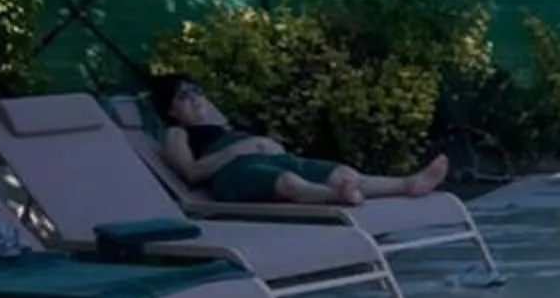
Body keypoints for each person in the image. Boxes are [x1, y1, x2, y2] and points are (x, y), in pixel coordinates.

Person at [149, 75, 449, 207]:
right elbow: (192, 172)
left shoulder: (222, 126)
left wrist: (264, 145)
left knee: (343, 172)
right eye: (184, 96)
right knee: (288, 181)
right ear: (171, 111)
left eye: (197, 92)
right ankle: (336, 196)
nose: (195, 99)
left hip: (267, 160)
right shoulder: (176, 133)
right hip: (232, 176)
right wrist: (242, 148)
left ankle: (409, 184)